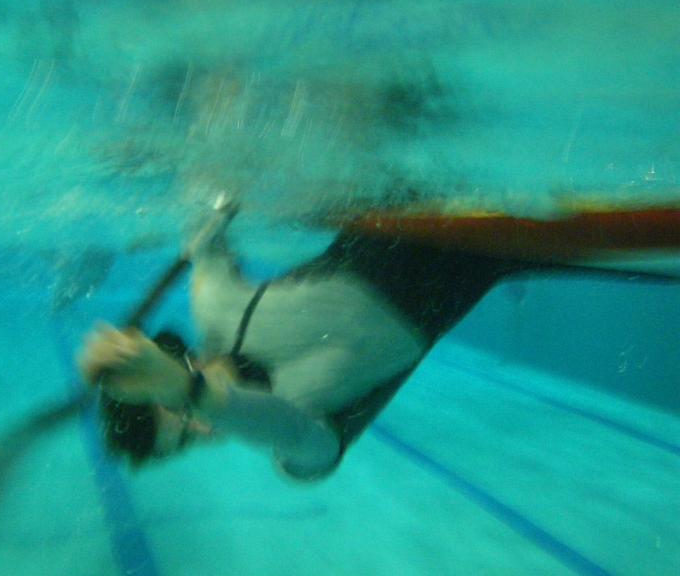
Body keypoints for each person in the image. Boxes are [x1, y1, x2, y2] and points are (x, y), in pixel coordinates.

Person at [78, 201, 677, 481]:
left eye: (184, 421)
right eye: (188, 441)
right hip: (491, 246)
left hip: (403, 207)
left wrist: (212, 203)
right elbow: (283, 428)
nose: (206, 431)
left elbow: (207, 224)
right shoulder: (296, 446)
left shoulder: (215, 306)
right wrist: (187, 392)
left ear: (177, 357)